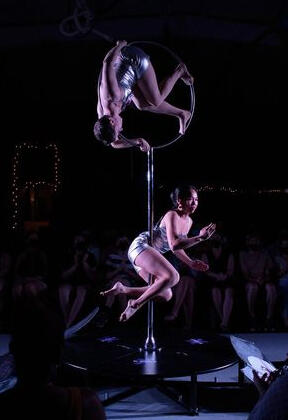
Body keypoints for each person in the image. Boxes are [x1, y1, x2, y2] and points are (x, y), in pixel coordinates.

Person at [101, 185, 216, 321]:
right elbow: (174, 244)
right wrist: (200, 238)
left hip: (148, 255)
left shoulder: (189, 221)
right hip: (141, 246)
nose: (194, 203)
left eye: (196, 200)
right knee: (174, 277)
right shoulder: (172, 214)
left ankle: (123, 289)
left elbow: (176, 248)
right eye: (190, 199)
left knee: (165, 294)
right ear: (180, 201)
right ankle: (135, 304)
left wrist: (190, 263)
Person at [93, 40, 193, 150]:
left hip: (132, 59)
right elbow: (114, 143)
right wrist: (137, 141)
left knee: (155, 100)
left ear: (112, 121)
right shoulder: (103, 118)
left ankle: (180, 71)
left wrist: (120, 45)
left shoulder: (111, 96)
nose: (121, 130)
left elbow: (107, 62)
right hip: (129, 83)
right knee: (142, 105)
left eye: (118, 131)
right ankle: (182, 114)